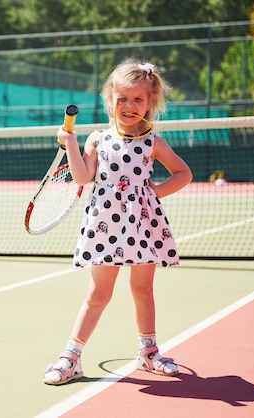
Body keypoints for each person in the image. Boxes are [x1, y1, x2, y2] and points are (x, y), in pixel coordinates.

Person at [44, 59, 193, 385]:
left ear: (149, 102)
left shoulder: (153, 142)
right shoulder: (96, 139)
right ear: (110, 99)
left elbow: (184, 173)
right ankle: (71, 357)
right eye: (122, 98)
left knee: (143, 289)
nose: (129, 105)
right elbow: (83, 177)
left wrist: (155, 193)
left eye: (137, 99)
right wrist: (70, 142)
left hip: (144, 227)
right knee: (99, 294)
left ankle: (148, 353)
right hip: (105, 227)